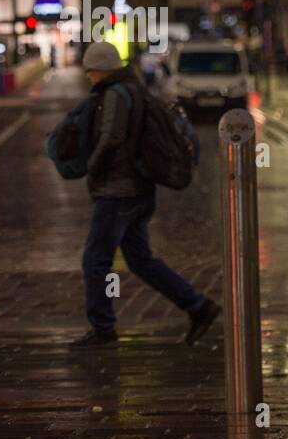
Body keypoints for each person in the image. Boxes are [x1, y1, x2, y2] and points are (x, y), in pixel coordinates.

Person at [70, 41, 220, 349]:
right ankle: (198, 307)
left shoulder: (114, 94)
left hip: (118, 193)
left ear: (101, 69)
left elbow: (112, 137)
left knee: (95, 260)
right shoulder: (135, 89)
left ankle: (102, 327)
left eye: (91, 72)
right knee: (140, 260)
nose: (89, 78)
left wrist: (93, 167)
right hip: (139, 189)